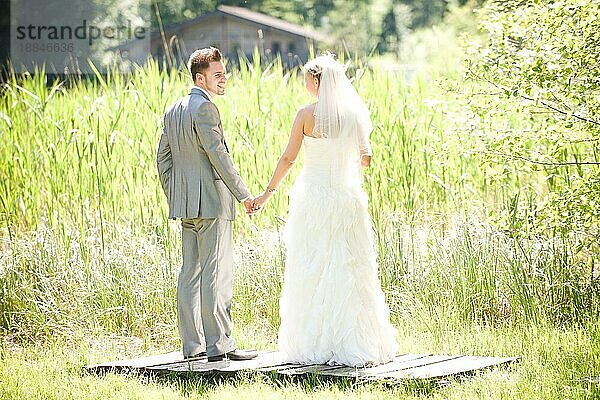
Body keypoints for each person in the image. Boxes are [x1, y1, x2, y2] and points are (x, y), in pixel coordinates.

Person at [252, 53, 398, 367]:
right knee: (348, 265)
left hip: (314, 197)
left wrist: (267, 193)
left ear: (317, 81)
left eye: (307, 77)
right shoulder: (352, 114)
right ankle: (353, 339)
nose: (304, 82)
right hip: (346, 197)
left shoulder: (306, 114)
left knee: (312, 265)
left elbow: (288, 159)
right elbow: (366, 158)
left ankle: (315, 340)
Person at [156, 47, 257, 363]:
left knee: (190, 273)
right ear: (200, 78)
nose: (223, 78)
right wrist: (244, 194)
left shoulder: (173, 110)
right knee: (215, 273)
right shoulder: (206, 109)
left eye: (223, 72)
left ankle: (193, 346)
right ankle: (219, 346)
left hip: (186, 205)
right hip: (212, 204)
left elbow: (163, 159)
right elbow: (218, 156)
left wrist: (178, 192)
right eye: (217, 74)